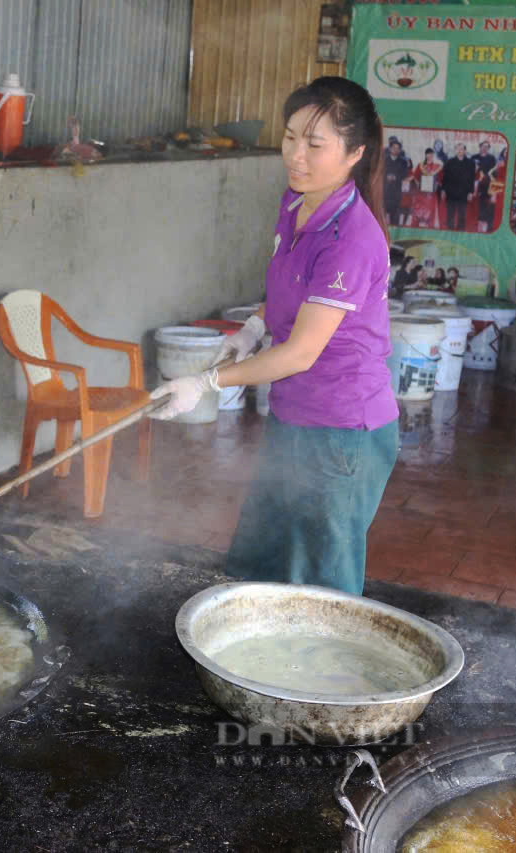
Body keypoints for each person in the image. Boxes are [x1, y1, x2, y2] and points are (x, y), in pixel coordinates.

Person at [150, 76, 398, 596]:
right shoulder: (296, 202)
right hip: (295, 416)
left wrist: (207, 382)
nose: (296, 156)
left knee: (321, 580)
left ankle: (324, 675)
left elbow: (302, 353)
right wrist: (255, 326)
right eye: (290, 138)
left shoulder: (351, 238)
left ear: (355, 152)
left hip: (342, 430)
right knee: (259, 559)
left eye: (314, 144)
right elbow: (290, 289)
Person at [441, 143, 475, 231]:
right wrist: (443, 190)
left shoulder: (470, 163)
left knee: (462, 215)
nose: (460, 151)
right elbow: (445, 178)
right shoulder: (449, 162)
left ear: (465, 151)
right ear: (455, 150)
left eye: (462, 149)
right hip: (451, 192)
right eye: (458, 149)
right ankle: (450, 232)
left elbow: (472, 178)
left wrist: (471, 192)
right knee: (450, 214)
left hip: (463, 193)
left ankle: (460, 232)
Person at [409, 148, 442, 228]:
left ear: (433, 155)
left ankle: (430, 228)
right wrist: (419, 185)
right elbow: (415, 177)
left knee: (430, 213)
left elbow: (440, 180)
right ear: (425, 155)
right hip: (421, 194)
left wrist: (436, 184)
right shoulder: (420, 165)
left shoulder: (437, 167)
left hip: (431, 195)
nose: (430, 155)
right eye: (428, 154)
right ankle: (417, 228)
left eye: (431, 154)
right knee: (420, 211)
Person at [383, 137, 411, 226]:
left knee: (395, 218)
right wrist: (386, 177)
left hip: (396, 193)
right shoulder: (384, 160)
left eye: (397, 148)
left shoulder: (403, 162)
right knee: (382, 219)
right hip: (385, 193)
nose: (395, 150)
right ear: (390, 148)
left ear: (399, 150)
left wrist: (396, 177)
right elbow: (379, 173)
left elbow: (405, 174)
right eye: (393, 147)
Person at [472, 140, 498, 232]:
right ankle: (475, 226)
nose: (485, 148)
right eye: (483, 146)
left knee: (486, 207)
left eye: (487, 147)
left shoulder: (492, 158)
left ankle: (485, 227)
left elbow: (494, 173)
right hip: (475, 186)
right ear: (480, 146)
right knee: (474, 207)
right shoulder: (474, 157)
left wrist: (486, 178)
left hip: (487, 187)